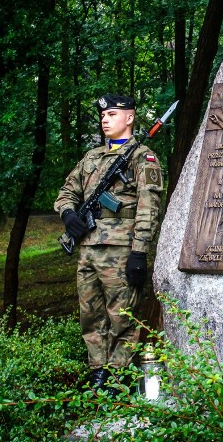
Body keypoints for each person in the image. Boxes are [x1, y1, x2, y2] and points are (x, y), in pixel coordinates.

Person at [55, 94, 164, 390]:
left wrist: (139, 252)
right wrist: (68, 215)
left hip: (120, 250)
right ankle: (98, 373)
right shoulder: (90, 158)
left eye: (113, 114)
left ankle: (118, 378)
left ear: (129, 118)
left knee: (122, 318)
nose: (105, 119)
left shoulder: (143, 157)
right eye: (103, 116)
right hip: (88, 249)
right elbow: (67, 192)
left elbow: (148, 207)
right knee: (91, 316)